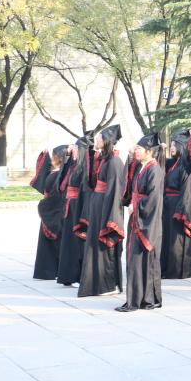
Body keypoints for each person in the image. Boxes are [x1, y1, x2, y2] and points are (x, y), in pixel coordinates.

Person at [77, 125, 127, 297]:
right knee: (95, 247)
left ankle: (109, 285)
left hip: (106, 211)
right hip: (98, 208)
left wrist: (110, 218)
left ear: (106, 141)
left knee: (105, 248)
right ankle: (97, 284)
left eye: (99, 138)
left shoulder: (115, 162)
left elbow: (115, 192)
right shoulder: (104, 159)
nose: (96, 140)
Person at [117, 134, 165, 312]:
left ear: (149, 151)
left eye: (139, 148)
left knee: (143, 261)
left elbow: (154, 198)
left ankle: (146, 299)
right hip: (136, 218)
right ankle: (140, 298)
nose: (136, 150)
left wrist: (136, 205)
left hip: (146, 222)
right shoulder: (142, 167)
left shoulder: (154, 170)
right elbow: (129, 182)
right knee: (135, 261)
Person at [160, 130, 191, 279]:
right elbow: (160, 166)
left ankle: (177, 271)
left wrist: (181, 210)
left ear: (182, 146)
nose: (172, 147)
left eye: (175, 145)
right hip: (167, 206)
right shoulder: (172, 163)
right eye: (171, 145)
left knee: (177, 240)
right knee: (167, 239)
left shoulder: (187, 166)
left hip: (178, 206)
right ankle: (166, 268)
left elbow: (187, 190)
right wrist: (160, 151)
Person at [57, 136, 92, 287]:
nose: (74, 151)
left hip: (78, 207)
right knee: (68, 242)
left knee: (77, 243)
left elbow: (86, 191)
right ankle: (67, 276)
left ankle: (78, 276)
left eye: (76, 148)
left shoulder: (85, 168)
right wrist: (66, 158)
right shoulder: (73, 165)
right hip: (69, 207)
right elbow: (61, 182)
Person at [30, 145, 68, 280]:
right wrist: (44, 157)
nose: (52, 158)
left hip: (54, 209)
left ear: (60, 157)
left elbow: (57, 194)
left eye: (54, 155)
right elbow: (44, 177)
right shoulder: (55, 171)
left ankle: (53, 270)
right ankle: (46, 271)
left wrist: (44, 204)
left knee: (56, 242)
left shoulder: (62, 174)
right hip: (50, 207)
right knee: (47, 244)